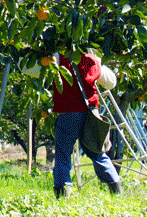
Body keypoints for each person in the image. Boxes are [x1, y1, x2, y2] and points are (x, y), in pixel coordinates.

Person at [52, 51, 121, 198]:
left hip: (68, 113)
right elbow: (111, 82)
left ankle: (63, 191)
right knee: (97, 152)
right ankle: (116, 188)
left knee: (63, 155)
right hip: (91, 114)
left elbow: (30, 69)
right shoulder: (92, 58)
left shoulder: (58, 57)